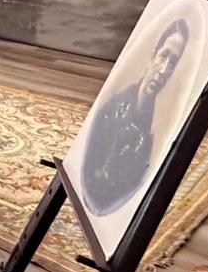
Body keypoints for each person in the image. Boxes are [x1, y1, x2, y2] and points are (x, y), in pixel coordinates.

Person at [79, 17, 190, 215]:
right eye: (163, 56)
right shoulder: (114, 111)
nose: (164, 70)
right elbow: (98, 185)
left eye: (173, 62)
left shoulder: (152, 121)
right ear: (152, 57)